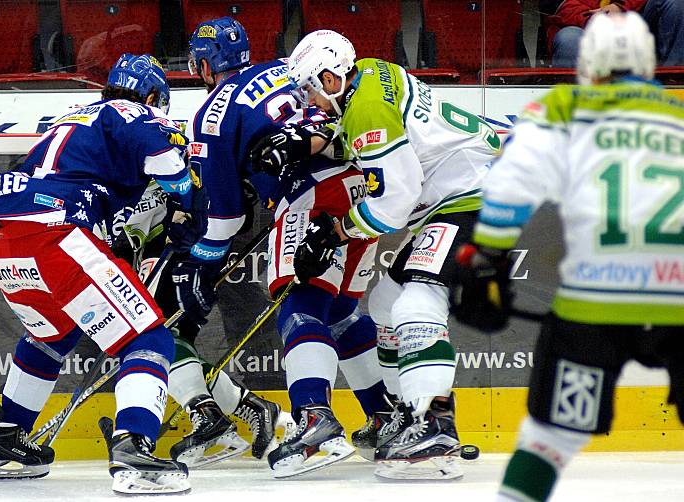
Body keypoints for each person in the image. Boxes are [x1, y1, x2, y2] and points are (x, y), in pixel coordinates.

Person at [454, 11, 684, 501]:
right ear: (649, 64)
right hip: (679, 298)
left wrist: (486, 256)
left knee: (551, 437)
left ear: (589, 64)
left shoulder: (565, 107)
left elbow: (512, 183)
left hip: (595, 302)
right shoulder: (678, 115)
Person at [256, 29, 500, 480]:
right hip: (466, 192)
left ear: (330, 78)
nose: (310, 101)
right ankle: (406, 415)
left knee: (416, 301)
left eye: (311, 89)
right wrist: (314, 142)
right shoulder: (370, 76)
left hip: (474, 196)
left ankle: (433, 426)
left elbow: (395, 199)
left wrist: (335, 230)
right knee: (387, 302)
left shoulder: (365, 104)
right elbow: (363, 140)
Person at [0, 53, 201, 495]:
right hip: (53, 227)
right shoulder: (133, 110)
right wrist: (191, 198)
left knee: (52, 335)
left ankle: (4, 441)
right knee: (148, 338)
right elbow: (169, 166)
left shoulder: (71, 118)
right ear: (152, 96)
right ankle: (134, 445)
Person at [173, 17, 388, 477]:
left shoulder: (211, 112)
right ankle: (386, 417)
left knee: (301, 307)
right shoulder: (282, 67)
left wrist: (203, 262)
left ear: (206, 64)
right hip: (361, 187)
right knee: (341, 311)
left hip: (311, 195)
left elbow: (227, 216)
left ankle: (315, 421)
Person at [548, 0, 684, 67]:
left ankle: (672, 86)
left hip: (636, 24)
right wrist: (595, 19)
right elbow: (561, 7)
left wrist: (620, 6)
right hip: (587, 28)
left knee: (676, 3)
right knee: (569, 39)